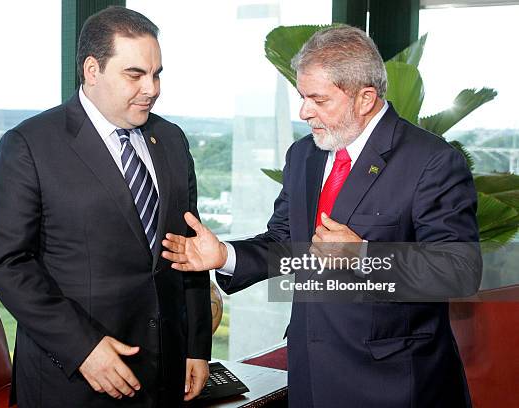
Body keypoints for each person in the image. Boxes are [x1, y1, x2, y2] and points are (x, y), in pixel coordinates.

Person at [162, 26, 481, 407]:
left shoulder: (432, 161)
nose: (303, 112)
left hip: (395, 386)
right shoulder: (304, 155)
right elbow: (285, 242)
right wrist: (225, 256)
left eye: (318, 99)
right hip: (311, 378)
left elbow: (460, 271)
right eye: (302, 96)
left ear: (365, 98)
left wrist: (364, 255)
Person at [0, 6, 211, 407]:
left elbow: (187, 251)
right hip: (72, 379)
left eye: (157, 74)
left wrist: (196, 347)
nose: (152, 88)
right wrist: (82, 347)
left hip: (165, 374)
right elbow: (6, 262)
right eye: (135, 75)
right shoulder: (29, 145)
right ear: (91, 70)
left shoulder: (172, 139)